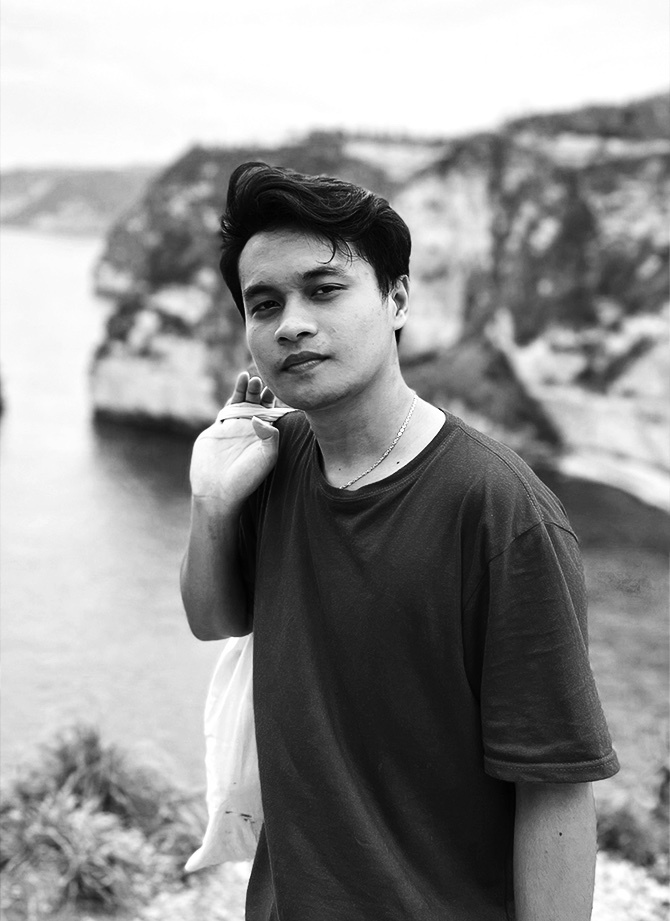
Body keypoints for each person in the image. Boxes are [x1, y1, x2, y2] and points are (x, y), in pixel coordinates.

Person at [181, 162, 619, 921]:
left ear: (397, 299)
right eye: (264, 303)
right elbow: (215, 616)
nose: (291, 324)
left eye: (324, 289)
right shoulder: (274, 458)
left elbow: (554, 784)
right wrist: (213, 501)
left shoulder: (499, 509)